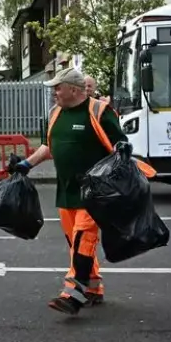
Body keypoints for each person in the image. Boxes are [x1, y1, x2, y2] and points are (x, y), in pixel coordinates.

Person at [10, 67, 128, 315]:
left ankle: (73, 294)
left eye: (58, 87)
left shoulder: (99, 111)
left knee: (83, 238)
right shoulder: (55, 114)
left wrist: (121, 162)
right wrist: (26, 164)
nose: (54, 92)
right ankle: (93, 288)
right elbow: (48, 147)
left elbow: (121, 147)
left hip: (94, 191)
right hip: (66, 191)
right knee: (75, 243)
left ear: (73, 90)